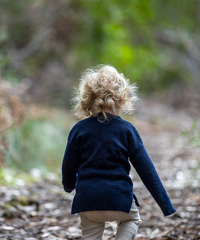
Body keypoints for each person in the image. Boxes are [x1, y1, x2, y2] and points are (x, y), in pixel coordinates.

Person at [62, 65, 176, 240]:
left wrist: (69, 185)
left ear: (87, 98)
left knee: (90, 232)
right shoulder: (127, 130)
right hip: (119, 200)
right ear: (122, 98)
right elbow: (146, 170)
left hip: (87, 200)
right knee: (132, 220)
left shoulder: (79, 130)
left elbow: (68, 166)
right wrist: (165, 204)